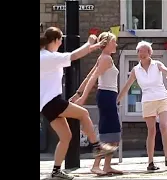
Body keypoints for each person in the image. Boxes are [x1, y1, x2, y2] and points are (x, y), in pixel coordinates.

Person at [40, 27, 118, 180]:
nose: (61, 42)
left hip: (47, 104)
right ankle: (97, 146)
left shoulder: (48, 56)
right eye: (61, 40)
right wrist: (89, 42)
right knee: (83, 113)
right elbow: (74, 55)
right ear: (55, 40)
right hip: (52, 101)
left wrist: (94, 46)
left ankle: (56, 171)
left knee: (66, 137)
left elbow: (73, 56)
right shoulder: (48, 57)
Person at [70, 32, 123, 176]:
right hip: (106, 95)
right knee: (110, 131)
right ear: (107, 43)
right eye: (114, 42)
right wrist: (83, 98)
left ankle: (106, 166)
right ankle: (96, 165)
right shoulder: (105, 59)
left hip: (108, 96)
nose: (116, 44)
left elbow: (88, 76)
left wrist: (78, 93)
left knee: (111, 131)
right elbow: (93, 78)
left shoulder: (104, 58)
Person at [117, 41, 167, 170]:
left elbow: (166, 70)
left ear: (150, 53)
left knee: (164, 126)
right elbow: (127, 86)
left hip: (162, 98)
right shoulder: (136, 70)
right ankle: (150, 162)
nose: (142, 54)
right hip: (148, 100)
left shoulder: (157, 64)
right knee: (151, 130)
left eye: (144, 51)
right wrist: (118, 99)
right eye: (139, 52)